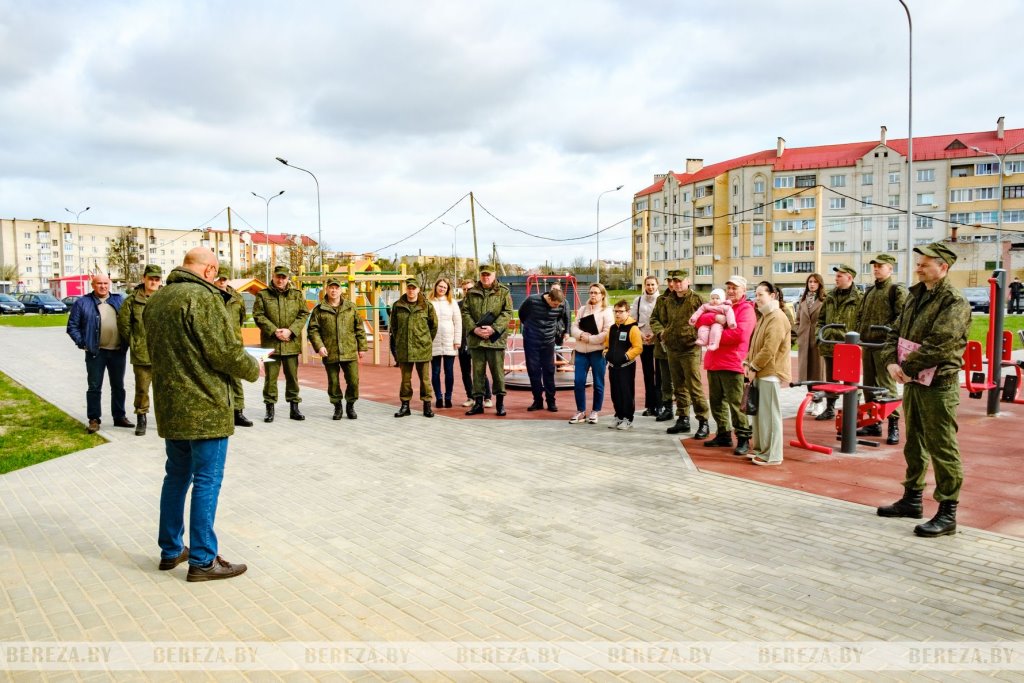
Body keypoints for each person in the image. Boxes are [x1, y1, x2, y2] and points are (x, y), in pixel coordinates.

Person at [144, 247, 260, 582]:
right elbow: (223, 352)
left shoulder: (157, 299)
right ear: (209, 270)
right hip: (205, 405)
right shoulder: (204, 298)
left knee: (176, 477)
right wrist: (254, 367)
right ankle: (203, 559)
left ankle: (170, 550)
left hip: (171, 404)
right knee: (207, 480)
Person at [878, 242, 971, 538]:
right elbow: (894, 332)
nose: (918, 268)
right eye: (918, 264)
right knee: (914, 442)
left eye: (925, 264)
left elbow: (940, 343)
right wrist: (891, 363)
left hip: (938, 385)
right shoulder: (915, 296)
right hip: (914, 381)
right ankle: (912, 498)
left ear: (943, 267)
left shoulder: (953, 301)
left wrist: (907, 367)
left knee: (942, 446)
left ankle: (947, 512)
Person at [66, 274, 133, 434]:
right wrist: (83, 343)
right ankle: (94, 419)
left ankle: (119, 416)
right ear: (93, 285)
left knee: (118, 386)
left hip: (117, 351)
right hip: (96, 352)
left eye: (105, 283)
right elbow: (72, 326)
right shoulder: (83, 302)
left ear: (109, 284)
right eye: (99, 283)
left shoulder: (119, 300)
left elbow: (130, 321)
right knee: (94, 387)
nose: (103, 286)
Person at [854, 254, 908, 444]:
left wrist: (889, 333)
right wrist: (860, 331)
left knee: (886, 386)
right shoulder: (869, 291)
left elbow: (902, 318)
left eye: (880, 266)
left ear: (890, 269)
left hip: (885, 346)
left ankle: (893, 424)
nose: (876, 269)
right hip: (868, 345)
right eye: (874, 266)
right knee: (869, 385)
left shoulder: (896, 290)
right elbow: (860, 315)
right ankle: (873, 423)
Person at [650, 269, 709, 438]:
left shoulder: (697, 300)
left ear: (687, 281)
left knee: (694, 386)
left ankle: (703, 421)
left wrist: (698, 335)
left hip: (690, 349)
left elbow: (709, 319)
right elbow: (655, 319)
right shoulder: (667, 300)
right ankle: (683, 419)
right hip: (672, 349)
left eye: (680, 281)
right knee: (679, 387)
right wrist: (662, 333)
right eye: (674, 281)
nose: (677, 284)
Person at [702, 275, 756, 455]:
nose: (731, 291)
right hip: (714, 361)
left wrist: (713, 336)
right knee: (716, 402)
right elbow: (701, 320)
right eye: (729, 288)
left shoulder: (746, 309)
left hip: (733, 362)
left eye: (735, 288)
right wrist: (714, 322)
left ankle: (743, 437)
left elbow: (739, 334)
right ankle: (723, 433)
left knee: (736, 403)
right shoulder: (720, 306)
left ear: (743, 290)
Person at [743, 282, 792, 466]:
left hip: (770, 372)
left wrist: (754, 367)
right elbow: (754, 344)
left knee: (770, 416)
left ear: (772, 296)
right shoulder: (765, 316)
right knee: (759, 415)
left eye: (760, 294)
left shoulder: (777, 317)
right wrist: (747, 363)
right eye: (756, 294)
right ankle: (760, 449)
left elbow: (770, 348)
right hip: (760, 372)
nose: (757, 298)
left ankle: (772, 455)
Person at [253, 265, 309, 422]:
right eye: (278, 277)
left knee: (292, 377)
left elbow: (303, 313)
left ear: (287, 279)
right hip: (270, 345)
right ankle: (269, 409)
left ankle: (294, 408)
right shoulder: (263, 295)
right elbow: (258, 315)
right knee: (270, 378)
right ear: (273, 277)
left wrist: (291, 331)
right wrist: (274, 331)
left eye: (283, 277)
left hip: (291, 343)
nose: (280, 280)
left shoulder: (296, 295)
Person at [308, 277, 367, 420]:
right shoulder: (319, 309)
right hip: (330, 351)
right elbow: (313, 330)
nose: (334, 290)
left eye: (336, 288)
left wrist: (362, 347)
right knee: (333, 382)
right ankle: (337, 406)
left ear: (341, 290)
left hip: (349, 350)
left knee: (353, 381)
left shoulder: (351, 307)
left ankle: (350, 405)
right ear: (327, 289)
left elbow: (359, 328)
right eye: (331, 288)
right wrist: (319, 346)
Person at [116, 264, 162, 436]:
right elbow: (124, 324)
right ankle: (141, 418)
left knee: (164, 389)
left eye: (157, 279)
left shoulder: (166, 298)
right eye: (151, 278)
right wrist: (135, 341)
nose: (153, 282)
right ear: (144, 278)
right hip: (142, 353)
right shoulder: (132, 300)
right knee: (142, 389)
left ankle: (164, 419)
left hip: (164, 354)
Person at [462, 265, 513, 416]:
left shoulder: (503, 291)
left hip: (495, 340)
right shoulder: (471, 292)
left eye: (488, 274)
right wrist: (474, 329)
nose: (486, 277)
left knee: (497, 372)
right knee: (477, 373)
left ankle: (500, 404)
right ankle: (478, 403)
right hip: (476, 339)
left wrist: (494, 328)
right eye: (483, 274)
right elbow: (465, 312)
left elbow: (507, 312)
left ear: (494, 274)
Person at [814, 264, 863, 421]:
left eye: (839, 276)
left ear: (849, 277)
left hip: (848, 346)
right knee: (831, 379)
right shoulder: (830, 296)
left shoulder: (859, 298)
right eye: (836, 276)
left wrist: (857, 340)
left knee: (851, 380)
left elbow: (862, 321)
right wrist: (819, 335)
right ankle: (830, 408)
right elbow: (821, 319)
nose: (836, 278)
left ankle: (853, 411)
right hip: (829, 343)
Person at [391, 278, 439, 417]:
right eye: (409, 288)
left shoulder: (427, 306)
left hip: (422, 348)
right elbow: (394, 326)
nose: (411, 290)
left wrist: (426, 340)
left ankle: (427, 406)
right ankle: (405, 406)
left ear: (418, 289)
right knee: (405, 380)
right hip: (404, 348)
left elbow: (433, 326)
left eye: (414, 288)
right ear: (406, 289)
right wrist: (400, 340)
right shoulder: (398, 305)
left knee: (425, 379)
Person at [517, 286, 569, 412]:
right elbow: (521, 314)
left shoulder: (561, 304)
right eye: (554, 304)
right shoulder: (532, 301)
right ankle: (537, 401)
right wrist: (531, 327)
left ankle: (551, 401)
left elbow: (561, 318)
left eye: (558, 305)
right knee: (533, 371)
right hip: (531, 340)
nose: (556, 307)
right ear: (549, 298)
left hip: (548, 341)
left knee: (549, 371)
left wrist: (557, 331)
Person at [569, 283, 614, 424]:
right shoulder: (582, 310)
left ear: (602, 295)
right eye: (591, 292)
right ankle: (580, 411)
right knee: (578, 381)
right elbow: (574, 327)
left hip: (597, 352)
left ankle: (595, 411)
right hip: (581, 351)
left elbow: (607, 332)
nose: (593, 295)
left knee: (598, 383)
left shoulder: (607, 311)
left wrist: (590, 339)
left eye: (596, 292)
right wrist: (581, 335)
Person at [213, 266, 253, 427]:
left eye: (224, 279)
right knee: (215, 379)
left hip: (234, 343)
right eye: (219, 279)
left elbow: (241, 318)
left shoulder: (237, 297)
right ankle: (218, 413)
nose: (222, 282)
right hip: (214, 343)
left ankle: (238, 412)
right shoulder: (208, 295)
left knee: (236, 378)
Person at [604, 299, 644, 430]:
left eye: (621, 311)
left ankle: (628, 419)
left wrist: (626, 356)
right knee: (615, 393)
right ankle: (619, 416)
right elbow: (607, 345)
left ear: (628, 312)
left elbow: (638, 347)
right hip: (613, 366)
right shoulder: (612, 328)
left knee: (626, 392)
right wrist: (606, 353)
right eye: (615, 311)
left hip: (626, 366)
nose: (617, 314)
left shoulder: (633, 328)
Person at [630, 276, 662, 417]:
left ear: (657, 285)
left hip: (659, 340)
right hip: (644, 340)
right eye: (648, 284)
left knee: (660, 375)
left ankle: (660, 405)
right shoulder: (638, 301)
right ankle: (650, 406)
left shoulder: (662, 300)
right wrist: (641, 335)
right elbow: (633, 321)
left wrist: (655, 335)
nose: (650, 287)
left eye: (653, 284)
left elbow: (665, 321)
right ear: (644, 285)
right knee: (648, 374)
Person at [457, 279, 492, 408]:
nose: (467, 291)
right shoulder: (458, 305)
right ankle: (470, 397)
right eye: (465, 289)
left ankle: (487, 397)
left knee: (480, 371)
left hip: (477, 342)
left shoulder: (480, 303)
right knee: (465, 372)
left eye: (469, 289)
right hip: (463, 342)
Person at [428, 278, 462, 409]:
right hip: (434, 341)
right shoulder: (429, 302)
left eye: (444, 287)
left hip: (449, 341)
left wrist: (457, 340)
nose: (442, 289)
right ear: (436, 286)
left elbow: (458, 322)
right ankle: (438, 397)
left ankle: (448, 397)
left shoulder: (452, 303)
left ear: (448, 290)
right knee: (435, 371)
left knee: (449, 371)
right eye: (440, 286)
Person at [795, 273, 825, 413]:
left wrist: (821, 336)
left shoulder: (824, 301)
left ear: (820, 284)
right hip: (804, 341)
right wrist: (799, 333)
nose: (812, 284)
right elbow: (797, 321)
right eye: (810, 282)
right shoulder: (802, 301)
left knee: (817, 372)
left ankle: (819, 402)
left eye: (815, 282)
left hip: (817, 341)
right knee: (807, 373)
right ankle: (812, 399)